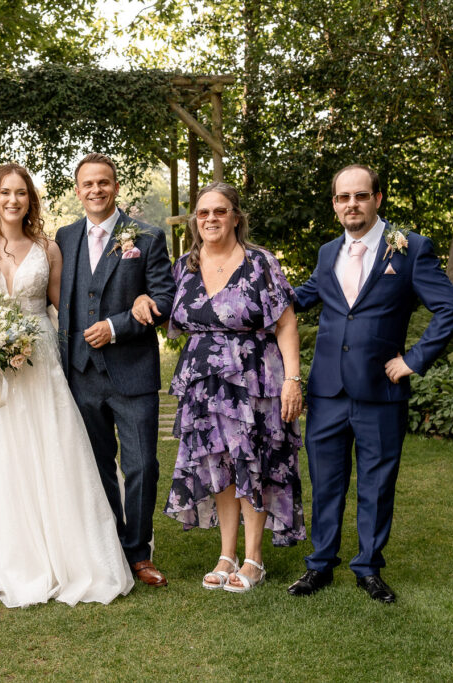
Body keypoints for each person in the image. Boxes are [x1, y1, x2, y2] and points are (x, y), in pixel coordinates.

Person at [0, 163, 133, 608]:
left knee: (50, 452)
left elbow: (64, 310)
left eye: (21, 193)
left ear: (31, 200)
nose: (13, 200)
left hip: (40, 364)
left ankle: (65, 554)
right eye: (5, 192)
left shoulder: (49, 248)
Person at [287, 164, 453, 603]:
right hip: (327, 390)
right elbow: (299, 298)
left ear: (378, 198)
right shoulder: (328, 252)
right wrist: (242, 288)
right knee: (326, 482)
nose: (352, 204)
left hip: (381, 392)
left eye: (360, 196)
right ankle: (320, 565)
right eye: (343, 197)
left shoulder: (410, 248)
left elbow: (451, 307)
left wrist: (414, 359)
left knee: (376, 484)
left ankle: (368, 567)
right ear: (334, 204)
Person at [132, 183, 305, 592]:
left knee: (253, 461)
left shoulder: (260, 262)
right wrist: (142, 297)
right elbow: (162, 305)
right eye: (203, 212)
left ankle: (254, 559)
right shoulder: (184, 267)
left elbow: (286, 322)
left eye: (220, 211)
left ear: (236, 217)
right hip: (203, 383)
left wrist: (293, 380)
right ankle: (227, 554)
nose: (210, 219)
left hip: (253, 379)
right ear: (196, 220)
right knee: (220, 464)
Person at [55, 153, 176, 587]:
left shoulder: (147, 236)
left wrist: (116, 326)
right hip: (81, 373)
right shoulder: (63, 237)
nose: (96, 190)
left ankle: (139, 552)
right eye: (87, 184)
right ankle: (109, 549)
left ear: (116, 186)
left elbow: (163, 298)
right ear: (77, 189)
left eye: (103, 182)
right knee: (97, 464)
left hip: (132, 372)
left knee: (142, 464)